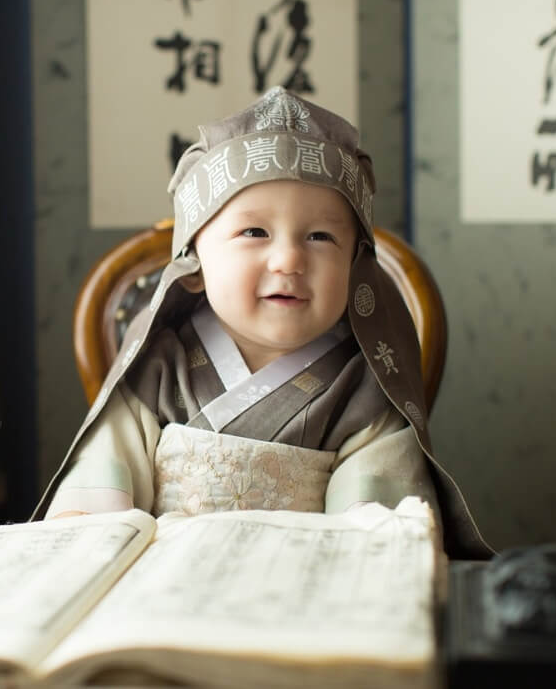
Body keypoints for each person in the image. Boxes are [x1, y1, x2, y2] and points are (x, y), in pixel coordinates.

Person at [33, 86, 491, 559]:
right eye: (254, 232)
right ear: (194, 257)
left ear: (355, 265)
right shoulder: (158, 365)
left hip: (300, 598)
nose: (289, 259)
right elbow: (98, 501)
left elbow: (373, 539)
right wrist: (83, 534)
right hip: (162, 596)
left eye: (320, 236)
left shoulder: (364, 388)